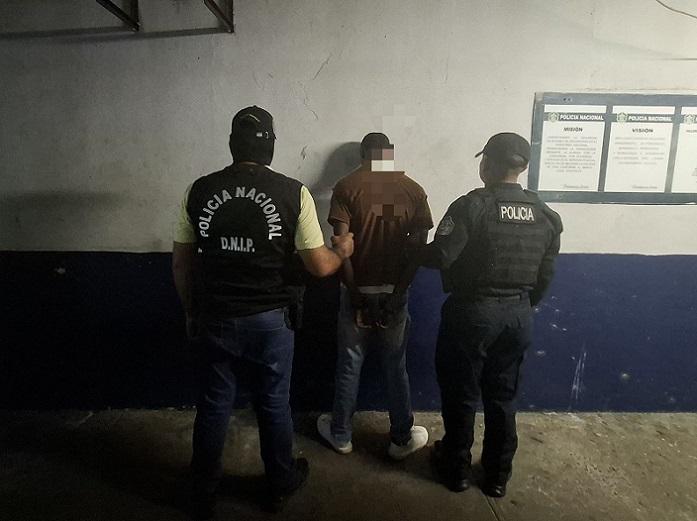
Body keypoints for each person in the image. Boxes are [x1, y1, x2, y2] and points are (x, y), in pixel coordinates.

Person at [172, 105, 354, 519]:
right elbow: (319, 266)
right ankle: (278, 484)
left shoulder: (199, 190)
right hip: (272, 319)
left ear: (232, 144)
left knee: (214, 403)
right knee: (273, 403)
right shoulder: (293, 193)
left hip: (216, 315)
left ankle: (203, 489)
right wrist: (343, 251)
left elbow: (182, 264)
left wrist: (190, 311)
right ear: (270, 146)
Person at [421, 132, 562, 497]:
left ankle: (456, 470)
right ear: (522, 167)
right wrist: (520, 305)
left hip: (472, 314)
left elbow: (442, 256)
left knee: (461, 393)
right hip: (518, 316)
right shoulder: (546, 215)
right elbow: (545, 276)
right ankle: (497, 476)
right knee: (503, 398)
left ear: (487, 164)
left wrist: (409, 248)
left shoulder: (472, 206)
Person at [316, 132, 434, 460]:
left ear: (362, 154)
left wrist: (355, 293)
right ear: (389, 154)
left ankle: (341, 434)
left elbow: (342, 246)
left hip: (357, 289)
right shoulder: (413, 190)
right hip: (395, 292)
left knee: (349, 364)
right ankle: (401, 438)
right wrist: (398, 293)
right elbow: (418, 250)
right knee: (395, 366)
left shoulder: (346, 187)